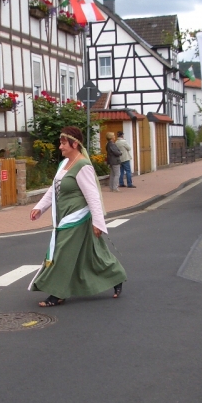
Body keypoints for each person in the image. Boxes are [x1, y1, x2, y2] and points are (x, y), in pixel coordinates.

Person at [28, 126, 127, 307]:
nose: (60, 146)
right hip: (63, 216)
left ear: (74, 144)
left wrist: (98, 223)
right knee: (92, 255)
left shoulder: (83, 166)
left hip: (77, 218)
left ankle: (57, 293)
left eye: (63, 143)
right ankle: (115, 276)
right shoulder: (63, 164)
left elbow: (93, 197)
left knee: (62, 253)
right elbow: (53, 189)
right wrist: (39, 207)